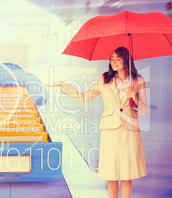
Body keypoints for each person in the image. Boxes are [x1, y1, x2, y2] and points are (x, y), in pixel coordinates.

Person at [49, 47, 148, 198]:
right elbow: (84, 97)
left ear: (126, 61)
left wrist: (134, 97)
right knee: (111, 174)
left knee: (127, 175)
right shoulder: (104, 79)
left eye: (118, 59)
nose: (113, 62)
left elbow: (143, 110)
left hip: (129, 131)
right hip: (110, 131)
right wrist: (64, 86)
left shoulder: (138, 81)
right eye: (112, 58)